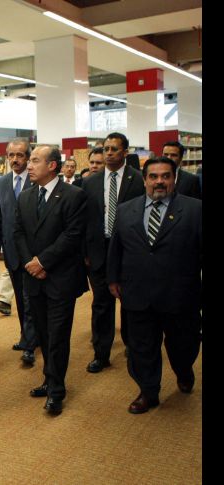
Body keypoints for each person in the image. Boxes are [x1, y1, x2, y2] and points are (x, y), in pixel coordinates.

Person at [106, 157, 202, 414]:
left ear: (174, 178)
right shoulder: (126, 209)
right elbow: (116, 247)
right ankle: (148, 392)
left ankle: (183, 370)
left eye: (165, 176)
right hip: (138, 292)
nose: (159, 181)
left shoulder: (195, 210)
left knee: (184, 345)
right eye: (154, 176)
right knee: (141, 346)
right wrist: (113, 278)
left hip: (181, 294)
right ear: (144, 179)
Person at [14, 144, 87, 415]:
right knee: (43, 334)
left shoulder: (74, 196)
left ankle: (57, 390)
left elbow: (72, 236)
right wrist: (30, 264)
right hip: (34, 278)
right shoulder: (25, 197)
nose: (28, 166)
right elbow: (18, 232)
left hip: (60, 278)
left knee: (58, 336)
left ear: (52, 166)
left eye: (34, 161)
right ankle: (48, 379)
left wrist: (43, 262)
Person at [81, 133, 144, 373]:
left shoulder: (137, 180)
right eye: (106, 149)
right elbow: (85, 220)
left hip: (128, 250)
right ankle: (101, 353)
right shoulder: (91, 182)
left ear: (125, 152)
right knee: (101, 304)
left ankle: (132, 345)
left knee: (129, 301)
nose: (108, 153)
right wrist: (85, 251)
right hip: (99, 250)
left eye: (114, 149)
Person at [0, 138, 38, 366]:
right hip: (11, 251)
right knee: (19, 297)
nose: (15, 160)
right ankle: (27, 336)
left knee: (30, 299)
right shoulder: (1, 183)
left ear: (28, 157)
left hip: (34, 252)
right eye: (11, 156)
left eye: (20, 155)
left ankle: (30, 343)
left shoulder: (37, 181)